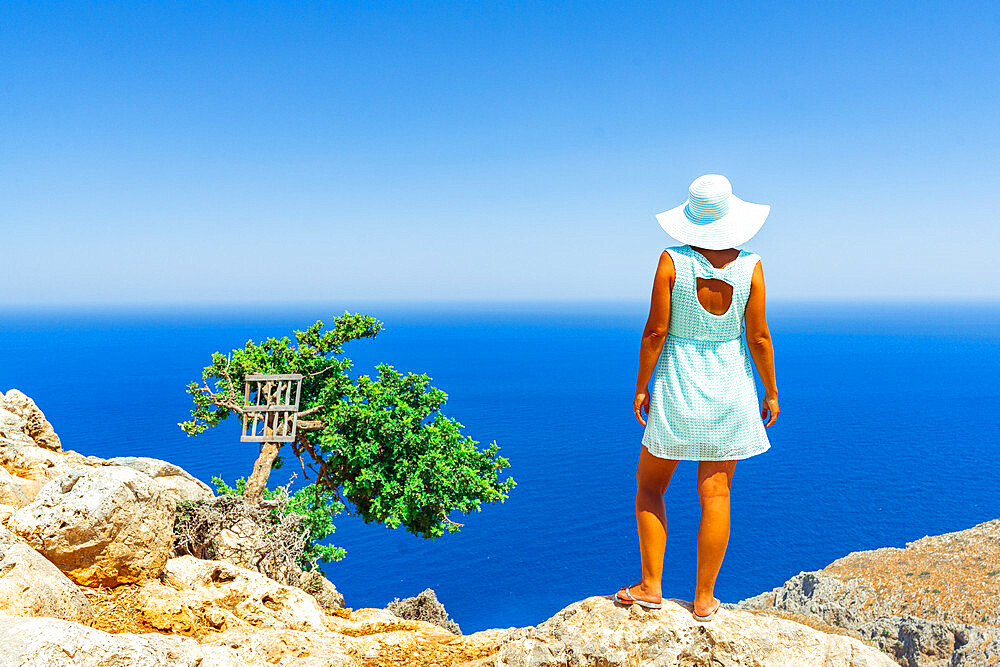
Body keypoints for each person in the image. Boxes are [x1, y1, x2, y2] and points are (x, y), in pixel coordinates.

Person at [614, 174, 779, 622]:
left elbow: (656, 331)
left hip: (677, 386)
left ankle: (650, 586)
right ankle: (704, 600)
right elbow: (759, 337)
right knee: (717, 494)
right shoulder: (751, 266)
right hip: (730, 388)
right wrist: (771, 390)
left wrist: (642, 385)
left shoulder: (671, 262)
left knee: (650, 485)